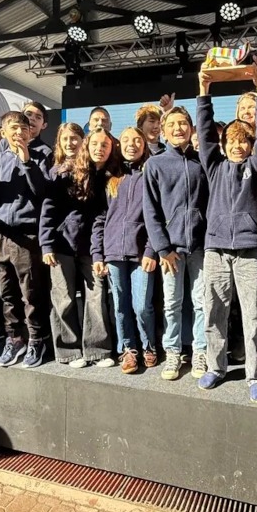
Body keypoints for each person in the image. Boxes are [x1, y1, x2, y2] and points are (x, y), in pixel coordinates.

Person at [195, 57, 257, 403]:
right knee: (214, 311)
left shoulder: (256, 167)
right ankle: (216, 366)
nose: (238, 145)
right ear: (224, 144)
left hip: (249, 250)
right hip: (215, 249)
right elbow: (204, 133)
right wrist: (203, 91)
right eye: (233, 141)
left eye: (244, 141)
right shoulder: (214, 167)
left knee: (255, 315)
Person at [0, 111, 51, 368]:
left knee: (32, 293)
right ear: (3, 133)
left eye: (23, 128)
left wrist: (26, 161)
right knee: (6, 293)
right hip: (2, 236)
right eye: (13, 128)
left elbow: (43, 193)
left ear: (30, 131)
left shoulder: (42, 155)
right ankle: (14, 338)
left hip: (28, 236)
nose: (19, 132)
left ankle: (37, 338)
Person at [41, 127, 118, 368]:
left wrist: (98, 253)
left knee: (96, 297)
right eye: (94, 144)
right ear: (87, 145)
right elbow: (48, 209)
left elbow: (99, 219)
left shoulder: (105, 177)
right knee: (63, 298)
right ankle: (69, 351)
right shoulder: (62, 172)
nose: (99, 149)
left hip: (90, 248)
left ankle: (97, 350)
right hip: (61, 245)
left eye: (104, 145)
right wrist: (46, 245)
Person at [143, 105, 210, 381]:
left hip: (202, 246)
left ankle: (201, 351)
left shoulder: (202, 162)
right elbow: (151, 211)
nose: (178, 128)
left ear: (191, 128)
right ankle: (172, 351)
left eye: (183, 123)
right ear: (163, 129)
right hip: (170, 250)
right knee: (171, 303)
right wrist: (163, 248)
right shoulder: (155, 164)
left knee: (202, 302)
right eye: (172, 124)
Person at [92, 127, 158, 373]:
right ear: (120, 145)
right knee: (120, 305)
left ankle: (149, 345)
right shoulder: (111, 177)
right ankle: (128, 349)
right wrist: (98, 254)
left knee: (142, 305)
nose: (132, 144)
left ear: (144, 144)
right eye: (127, 140)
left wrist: (152, 250)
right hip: (113, 253)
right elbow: (100, 218)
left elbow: (156, 217)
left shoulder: (150, 173)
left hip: (142, 254)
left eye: (137, 140)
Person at [23, 100, 54, 170]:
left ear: (44, 125)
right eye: (28, 114)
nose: (32, 118)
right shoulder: (7, 144)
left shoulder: (46, 152)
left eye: (38, 117)